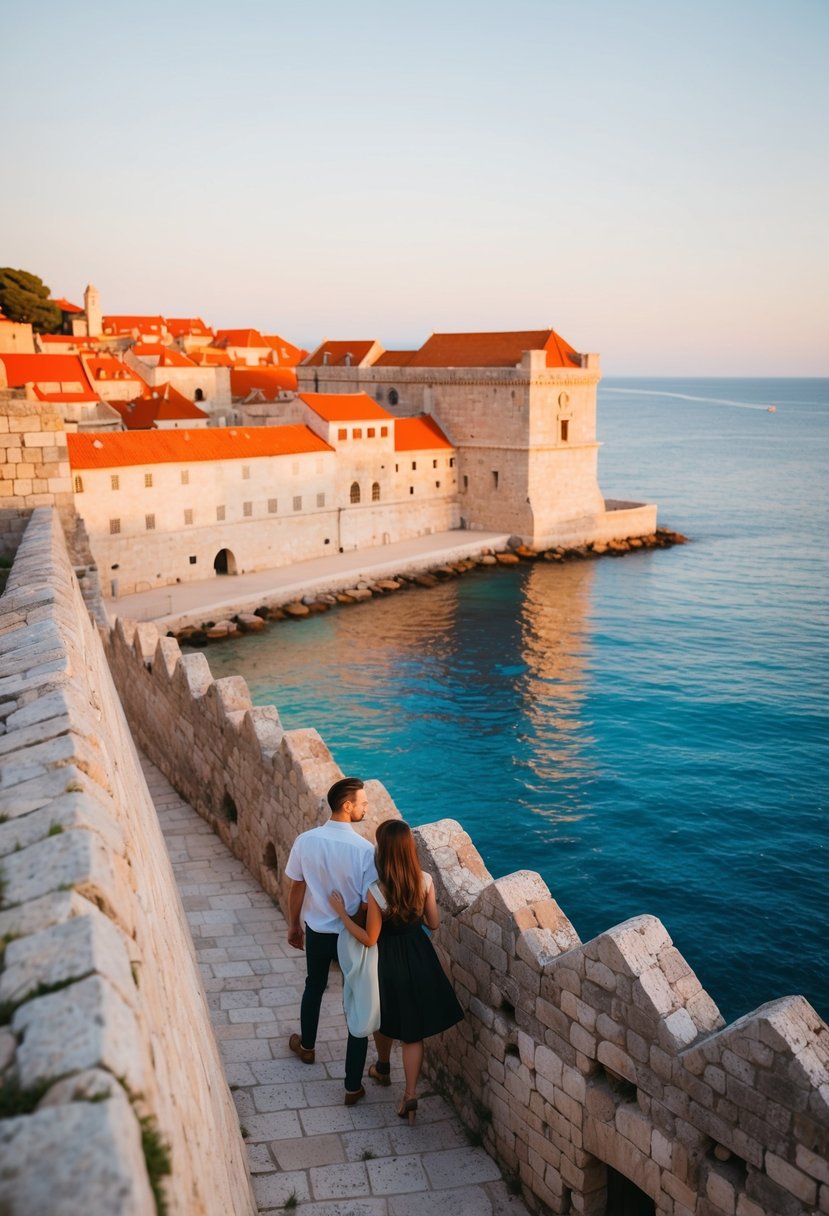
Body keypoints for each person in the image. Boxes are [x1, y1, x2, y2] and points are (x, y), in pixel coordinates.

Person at [330, 818, 463, 1124]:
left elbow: (369, 938)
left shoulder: (377, 891)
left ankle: (383, 1065)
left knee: (383, 1014)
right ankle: (410, 1094)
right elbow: (433, 923)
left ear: (385, 852)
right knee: (413, 1031)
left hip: (386, 959)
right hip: (419, 956)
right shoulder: (425, 880)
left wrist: (342, 916)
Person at [285, 776, 378, 1105]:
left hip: (317, 930)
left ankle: (307, 1047)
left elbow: (297, 887)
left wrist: (293, 924)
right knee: (356, 1002)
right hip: (349, 935)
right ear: (347, 805)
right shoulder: (365, 851)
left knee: (314, 985)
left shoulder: (306, 841)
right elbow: (368, 903)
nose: (367, 808)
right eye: (363, 804)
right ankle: (352, 1085)